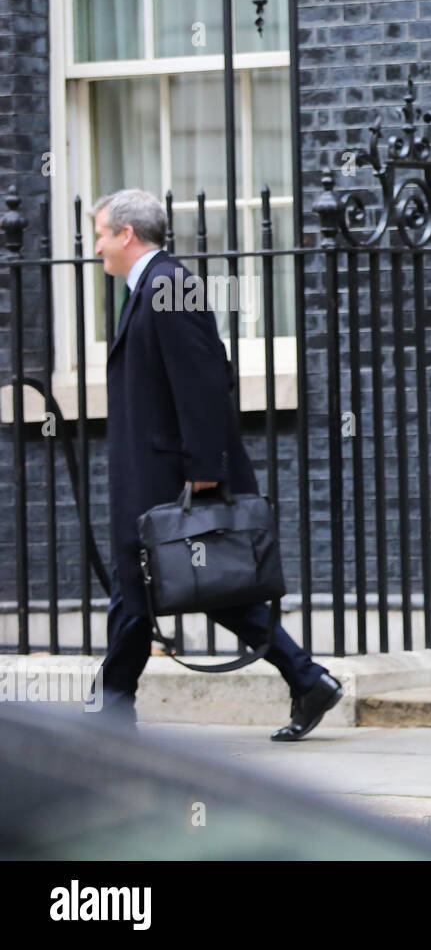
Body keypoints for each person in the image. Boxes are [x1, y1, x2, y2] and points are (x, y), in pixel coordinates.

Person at [88, 189, 342, 740]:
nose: (97, 248)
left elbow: (205, 379)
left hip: (171, 474)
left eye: (102, 234)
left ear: (127, 235)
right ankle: (306, 679)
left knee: (161, 585)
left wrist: (206, 466)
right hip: (157, 471)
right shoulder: (151, 288)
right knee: (193, 588)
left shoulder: (168, 286)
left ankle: (109, 712)